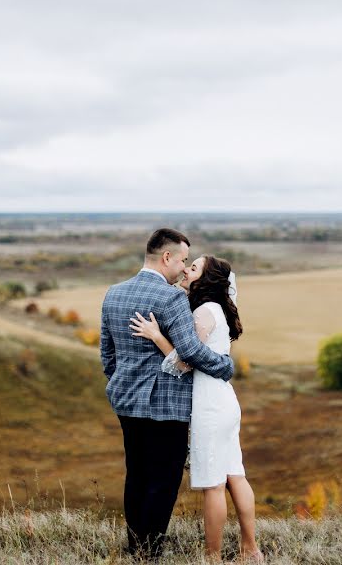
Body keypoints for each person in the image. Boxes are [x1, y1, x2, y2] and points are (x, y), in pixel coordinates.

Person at [100, 228, 235, 560]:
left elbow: (107, 355)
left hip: (125, 400)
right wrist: (224, 365)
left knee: (138, 473)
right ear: (167, 258)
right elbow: (189, 351)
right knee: (164, 479)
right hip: (167, 403)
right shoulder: (171, 297)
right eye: (183, 260)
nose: (183, 268)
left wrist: (121, 384)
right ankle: (150, 551)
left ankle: (137, 545)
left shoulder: (113, 293)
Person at [130, 254, 263, 562]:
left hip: (210, 406)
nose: (186, 271)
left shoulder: (204, 312)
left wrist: (156, 336)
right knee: (235, 475)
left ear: (206, 280)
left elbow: (185, 360)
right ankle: (250, 549)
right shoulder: (218, 310)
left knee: (213, 485)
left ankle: (212, 557)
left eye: (193, 268)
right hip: (225, 401)